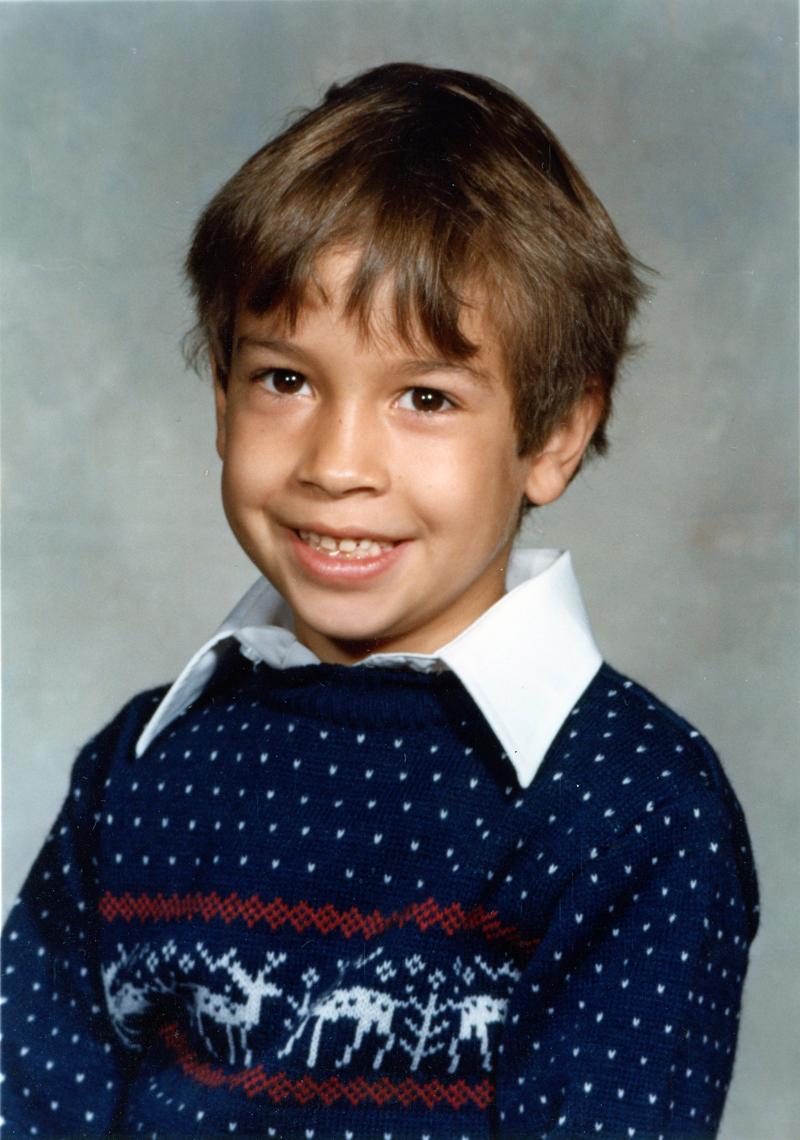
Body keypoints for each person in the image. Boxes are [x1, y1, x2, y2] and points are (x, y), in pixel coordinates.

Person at [1, 63, 758, 1139]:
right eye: (285, 381)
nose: (337, 464)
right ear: (220, 398)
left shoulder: (633, 806)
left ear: (553, 436)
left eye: (424, 397)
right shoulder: (136, 772)